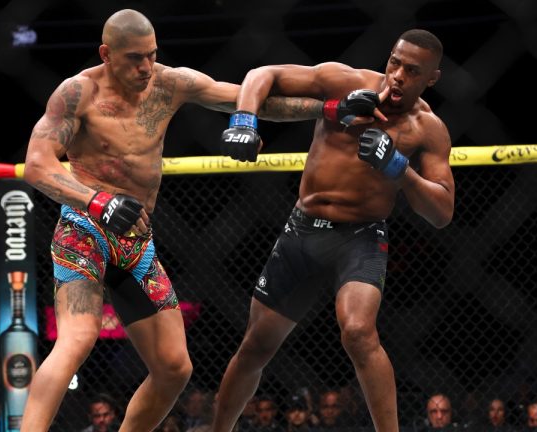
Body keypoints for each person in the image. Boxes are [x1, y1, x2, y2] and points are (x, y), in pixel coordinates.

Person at [21, 8, 344, 432]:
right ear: (106, 54)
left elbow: (246, 97)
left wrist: (331, 108)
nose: (145, 67)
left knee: (174, 367)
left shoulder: (169, 83)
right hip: (84, 229)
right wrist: (96, 201)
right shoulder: (76, 93)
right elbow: (37, 165)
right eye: (134, 58)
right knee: (77, 339)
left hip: (136, 240)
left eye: (151, 55)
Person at [212, 28, 454, 432]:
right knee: (255, 346)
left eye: (412, 71)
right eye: (394, 62)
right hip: (303, 229)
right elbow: (262, 74)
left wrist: (398, 168)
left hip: (359, 237)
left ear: (432, 78)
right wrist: (244, 120)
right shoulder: (347, 82)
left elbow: (442, 210)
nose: (396, 76)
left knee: (359, 332)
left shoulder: (427, 129)